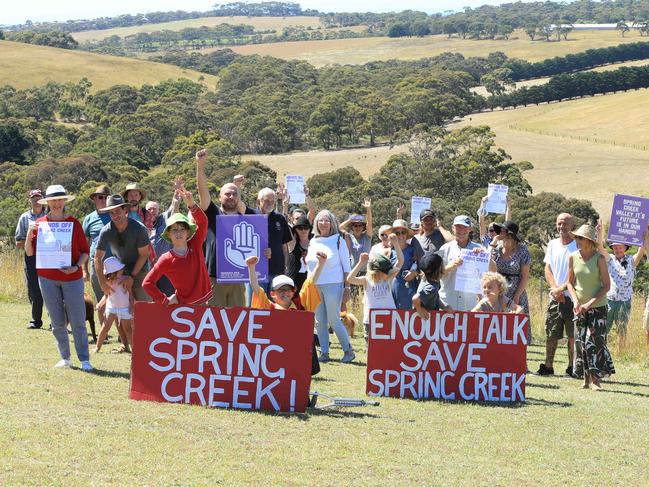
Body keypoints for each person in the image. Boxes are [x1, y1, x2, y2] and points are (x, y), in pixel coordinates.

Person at [25, 185, 92, 371]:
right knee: (57, 321)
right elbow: (29, 253)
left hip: (72, 278)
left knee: (78, 320)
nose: (56, 203)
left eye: (59, 200)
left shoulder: (74, 223)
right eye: (53, 200)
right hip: (46, 278)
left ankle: (85, 359)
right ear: (47, 203)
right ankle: (65, 358)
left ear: (64, 202)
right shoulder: (39, 224)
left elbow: (85, 252)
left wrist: (77, 266)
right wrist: (30, 232)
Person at [246, 251, 326, 376]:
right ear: (273, 294)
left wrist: (320, 264)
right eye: (281, 290)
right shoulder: (268, 307)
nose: (285, 293)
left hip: (298, 355)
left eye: (289, 290)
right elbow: (256, 289)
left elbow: (310, 284)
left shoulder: (301, 305)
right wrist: (251, 268)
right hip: (274, 356)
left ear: (293, 292)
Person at [196, 148, 256, 307]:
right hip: (215, 278)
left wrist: (265, 252)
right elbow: (202, 191)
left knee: (238, 321)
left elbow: (257, 245)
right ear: (219, 197)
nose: (231, 197)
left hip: (238, 278)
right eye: (227, 194)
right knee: (214, 322)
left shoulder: (246, 219)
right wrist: (200, 166)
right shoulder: (212, 213)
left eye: (234, 194)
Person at [95, 194, 151, 353]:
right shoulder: (106, 231)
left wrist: (132, 277)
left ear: (125, 210)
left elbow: (144, 255)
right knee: (114, 308)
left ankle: (147, 344)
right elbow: (97, 258)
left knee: (142, 307)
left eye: (118, 211)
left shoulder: (138, 228)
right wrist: (103, 285)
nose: (116, 216)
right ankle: (124, 345)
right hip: (118, 272)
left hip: (139, 272)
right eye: (112, 213)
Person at [143, 187, 212, 306]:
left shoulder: (195, 244)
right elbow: (147, 283)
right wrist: (164, 300)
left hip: (204, 303)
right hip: (182, 308)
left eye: (182, 229)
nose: (179, 233)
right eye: (174, 230)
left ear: (188, 232)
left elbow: (203, 222)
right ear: (168, 234)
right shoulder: (166, 258)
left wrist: (191, 204)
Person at [566, 223, 614, 390]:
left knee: (592, 342)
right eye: (577, 237)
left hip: (598, 307)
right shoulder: (572, 257)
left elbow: (606, 286)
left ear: (588, 240)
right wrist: (575, 301)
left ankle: (596, 380)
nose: (577, 240)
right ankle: (586, 380)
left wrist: (589, 303)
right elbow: (569, 283)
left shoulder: (599, 259)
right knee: (580, 342)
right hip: (579, 308)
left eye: (580, 238)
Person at [305, 209, 355, 363]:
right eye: (320, 220)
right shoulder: (313, 241)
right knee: (319, 320)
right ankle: (324, 353)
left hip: (334, 284)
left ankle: (348, 351)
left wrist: (347, 287)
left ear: (332, 223)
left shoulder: (338, 240)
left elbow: (347, 266)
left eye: (326, 220)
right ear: (316, 223)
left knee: (334, 319)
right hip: (315, 286)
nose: (323, 223)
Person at [537, 213, 578, 377]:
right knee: (551, 332)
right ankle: (548, 366)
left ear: (571, 225)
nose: (562, 227)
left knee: (572, 334)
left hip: (572, 297)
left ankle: (572, 367)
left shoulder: (577, 245)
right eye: (559, 224)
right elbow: (548, 268)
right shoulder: (552, 244)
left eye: (565, 224)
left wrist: (562, 291)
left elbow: (575, 273)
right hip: (555, 297)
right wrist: (555, 289)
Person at [347, 233, 404, 345]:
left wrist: (396, 244)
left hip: (389, 316)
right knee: (371, 346)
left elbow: (400, 262)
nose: (386, 274)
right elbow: (350, 279)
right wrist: (360, 262)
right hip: (370, 320)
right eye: (383, 272)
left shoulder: (387, 278)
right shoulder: (366, 280)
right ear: (375, 271)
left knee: (388, 344)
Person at [597, 225, 647, 352]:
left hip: (625, 301)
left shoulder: (631, 260)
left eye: (620, 247)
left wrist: (644, 236)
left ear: (625, 248)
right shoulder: (609, 259)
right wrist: (600, 232)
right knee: (604, 327)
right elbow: (600, 247)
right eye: (615, 247)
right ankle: (602, 351)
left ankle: (621, 352)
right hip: (609, 299)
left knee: (622, 328)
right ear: (613, 248)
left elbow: (641, 251)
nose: (618, 249)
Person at [437, 215, 495, 312]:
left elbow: (493, 271)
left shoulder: (479, 248)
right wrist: (452, 265)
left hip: (471, 306)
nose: (461, 230)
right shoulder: (444, 248)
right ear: (452, 228)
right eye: (458, 227)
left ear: (470, 229)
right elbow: (437, 274)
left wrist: (485, 257)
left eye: (465, 227)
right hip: (447, 305)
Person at [489, 220, 531, 341]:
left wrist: (517, 295)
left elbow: (524, 276)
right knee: (497, 326)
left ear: (510, 234)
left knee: (516, 325)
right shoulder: (497, 249)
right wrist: (493, 244)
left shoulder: (523, 250)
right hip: (498, 291)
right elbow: (487, 263)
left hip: (516, 290)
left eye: (503, 231)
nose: (500, 233)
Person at [82, 184, 113, 336]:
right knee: (101, 299)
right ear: (94, 199)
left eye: (107, 197)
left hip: (115, 265)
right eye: (100, 197)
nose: (103, 200)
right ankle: (104, 332)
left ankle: (123, 334)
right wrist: (84, 269)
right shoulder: (89, 219)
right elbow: (84, 246)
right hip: (96, 265)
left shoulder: (116, 214)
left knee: (118, 298)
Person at [15, 189, 47, 329]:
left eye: (39, 197)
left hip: (49, 257)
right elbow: (18, 242)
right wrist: (32, 238)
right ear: (29, 200)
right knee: (34, 289)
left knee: (51, 288)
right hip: (31, 257)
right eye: (33, 198)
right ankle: (36, 320)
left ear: (43, 199)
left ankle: (55, 321)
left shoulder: (50, 215)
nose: (36, 200)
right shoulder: (24, 218)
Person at [146, 179, 182, 296]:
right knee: (152, 299)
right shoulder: (143, 223)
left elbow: (174, 206)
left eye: (154, 209)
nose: (152, 211)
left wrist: (177, 190)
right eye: (149, 209)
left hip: (166, 269)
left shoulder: (165, 218)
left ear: (159, 210)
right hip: (150, 269)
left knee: (168, 297)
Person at [254, 187, 292, 294]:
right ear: (258, 201)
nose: (269, 203)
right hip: (256, 273)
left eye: (272, 201)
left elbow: (285, 247)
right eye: (266, 200)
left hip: (277, 271)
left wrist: (286, 267)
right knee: (256, 306)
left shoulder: (280, 219)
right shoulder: (251, 217)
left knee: (275, 307)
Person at [94, 257, 132, 353]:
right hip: (111, 308)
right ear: (114, 272)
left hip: (125, 308)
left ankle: (134, 350)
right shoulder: (107, 282)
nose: (122, 270)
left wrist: (132, 306)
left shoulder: (126, 280)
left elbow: (130, 293)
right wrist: (100, 303)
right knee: (105, 327)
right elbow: (106, 295)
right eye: (120, 269)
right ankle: (97, 347)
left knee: (128, 330)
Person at [390, 219, 421, 309]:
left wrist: (414, 273)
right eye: (397, 233)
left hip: (409, 287)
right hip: (393, 287)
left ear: (406, 234)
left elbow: (420, 268)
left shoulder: (413, 250)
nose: (400, 235)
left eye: (403, 232)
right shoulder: (389, 251)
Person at [339, 198, 373, 273]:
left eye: (360, 225)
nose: (358, 227)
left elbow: (369, 224)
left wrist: (368, 209)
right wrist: (351, 220)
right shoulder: (349, 237)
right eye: (355, 225)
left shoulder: (367, 236)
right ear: (352, 227)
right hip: (352, 271)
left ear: (363, 227)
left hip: (366, 272)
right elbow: (339, 228)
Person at [413, 252, 446, 319]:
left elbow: (434, 298)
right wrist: (419, 309)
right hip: (425, 321)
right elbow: (415, 299)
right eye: (442, 265)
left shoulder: (425, 279)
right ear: (439, 270)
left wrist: (444, 307)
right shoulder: (431, 288)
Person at [286, 215, 313, 293]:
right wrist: (285, 208)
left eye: (306, 228)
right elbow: (285, 224)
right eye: (300, 228)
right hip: (293, 282)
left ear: (310, 229)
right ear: (295, 230)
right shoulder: (293, 243)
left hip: (309, 281)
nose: (303, 230)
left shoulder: (315, 243)